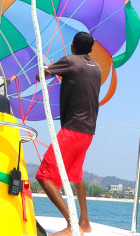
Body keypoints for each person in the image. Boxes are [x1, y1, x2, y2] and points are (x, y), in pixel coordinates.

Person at [35, 32, 102, 236]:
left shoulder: (71, 61)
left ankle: (72, 225)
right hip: (88, 130)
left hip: (73, 128)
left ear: (72, 46)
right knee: (76, 175)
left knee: (43, 176)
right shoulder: (97, 68)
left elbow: (40, 76)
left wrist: (48, 67)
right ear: (91, 50)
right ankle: (85, 222)